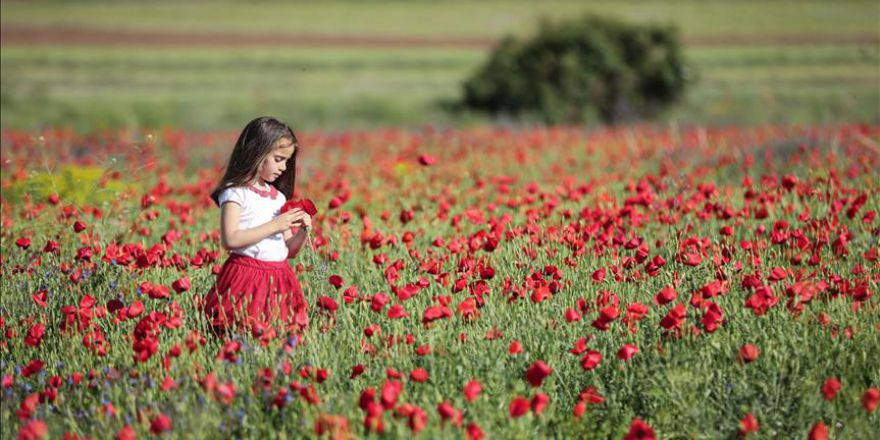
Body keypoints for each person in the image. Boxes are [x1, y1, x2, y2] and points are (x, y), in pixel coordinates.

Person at [202, 116, 312, 337]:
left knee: (278, 337)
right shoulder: (235, 192)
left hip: (279, 278)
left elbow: (288, 250)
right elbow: (230, 239)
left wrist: (302, 232)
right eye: (279, 159)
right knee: (241, 333)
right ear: (257, 153)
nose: (283, 167)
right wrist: (275, 225)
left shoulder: (278, 198)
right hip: (246, 276)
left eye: (287, 161)